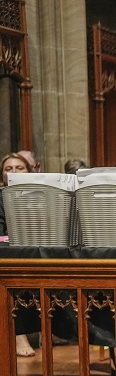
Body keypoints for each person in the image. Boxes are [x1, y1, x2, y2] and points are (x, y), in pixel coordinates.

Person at [1, 152, 35, 357]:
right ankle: (18, 335)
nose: (14, 172)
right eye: (8, 168)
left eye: (19, 168)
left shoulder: (39, 195)